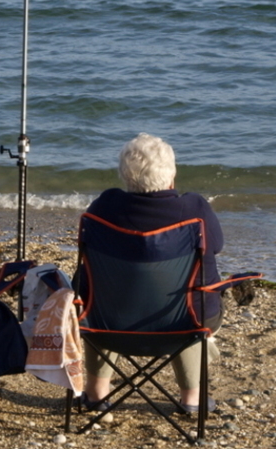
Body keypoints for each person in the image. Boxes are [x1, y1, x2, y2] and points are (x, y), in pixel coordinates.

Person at [82, 133, 224, 412]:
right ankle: (192, 399)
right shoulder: (194, 208)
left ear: (125, 176)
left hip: (109, 325)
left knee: (103, 293)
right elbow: (216, 246)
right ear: (171, 174)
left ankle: (97, 394)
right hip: (182, 325)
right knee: (193, 297)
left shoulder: (104, 206)